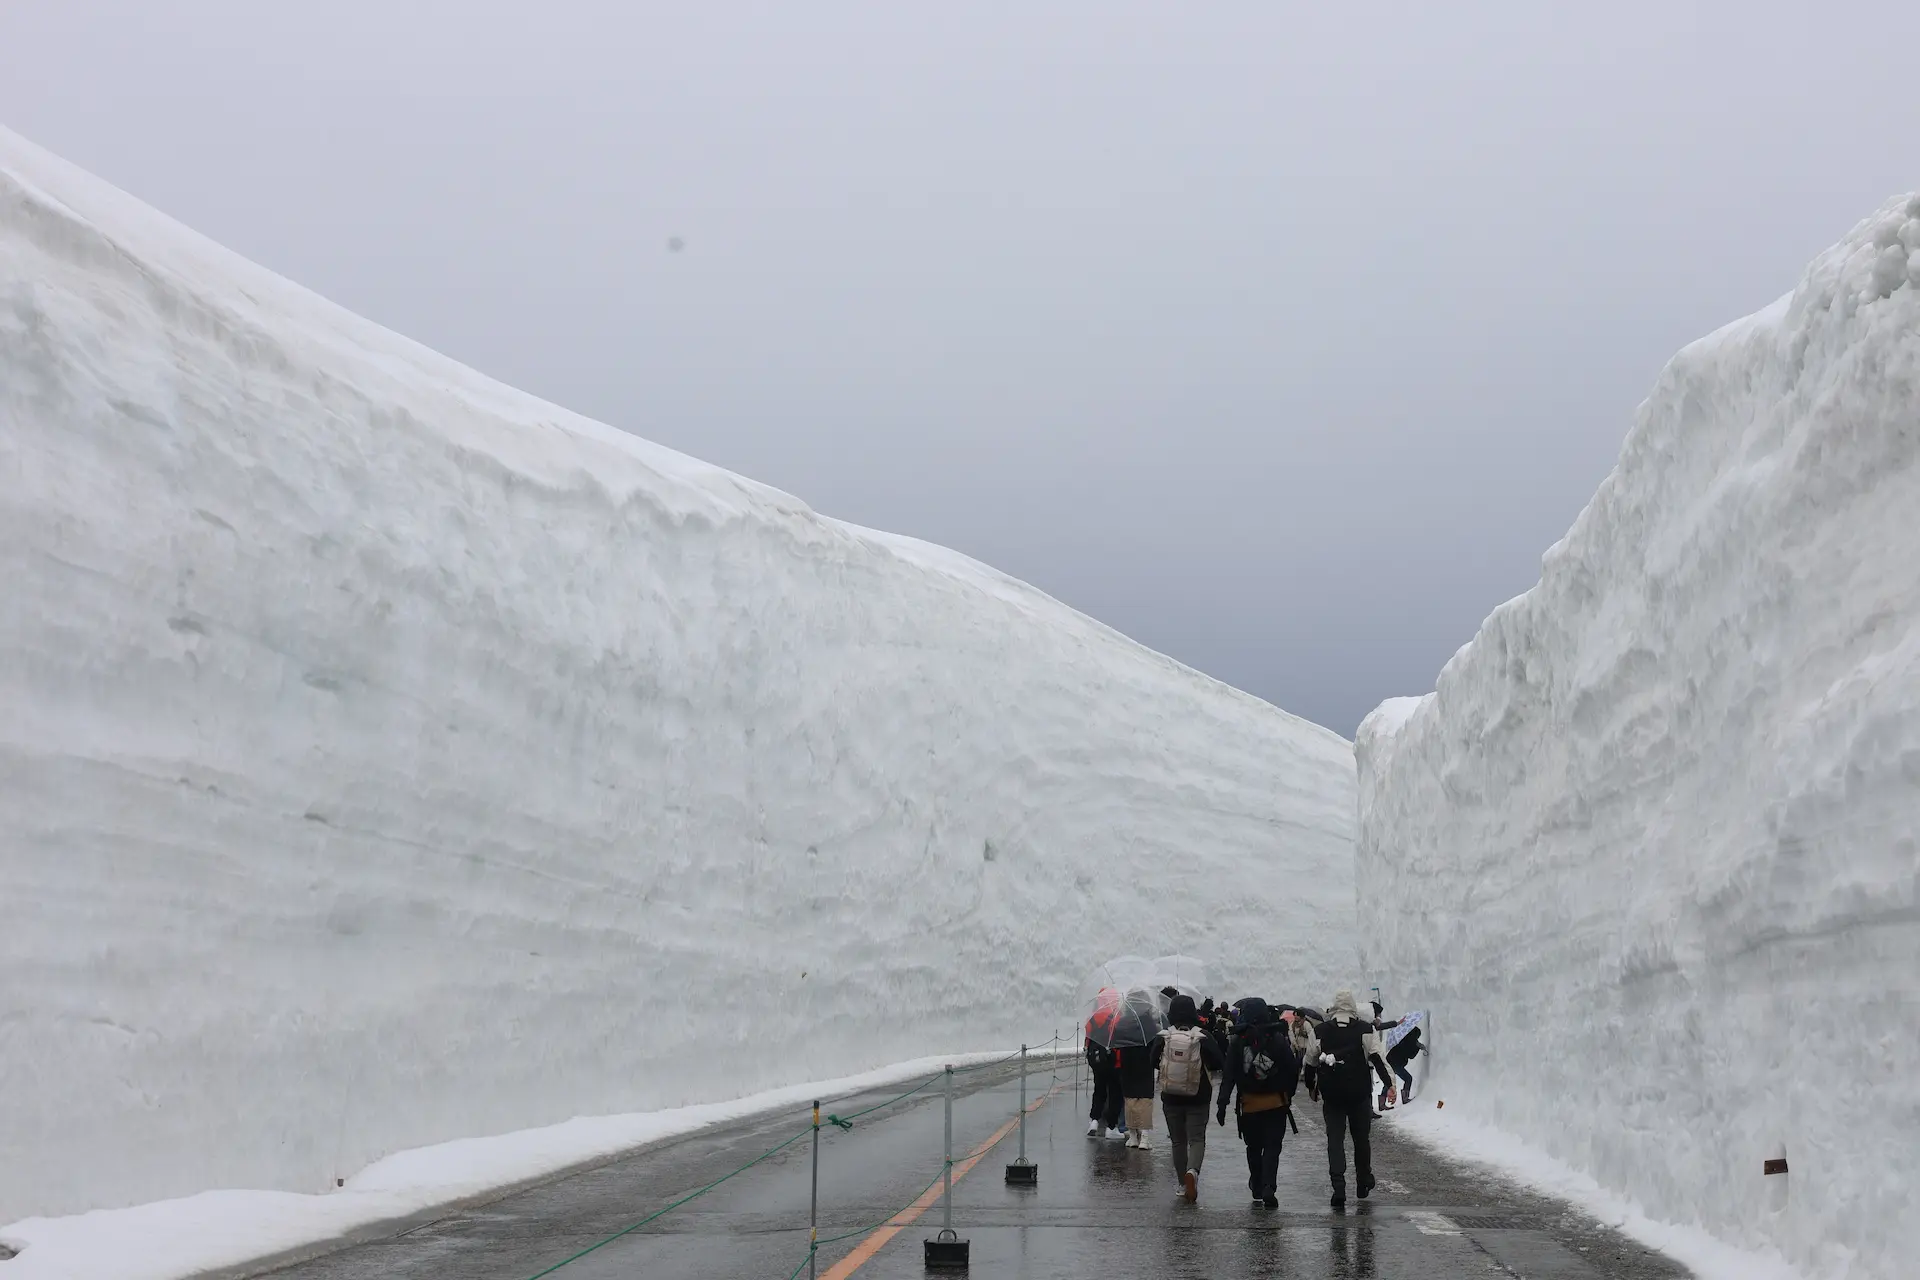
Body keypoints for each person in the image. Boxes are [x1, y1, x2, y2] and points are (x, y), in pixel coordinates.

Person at [1301, 990, 1396, 1207]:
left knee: (1335, 1141)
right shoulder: (1365, 1028)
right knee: (1361, 1139)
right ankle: (1363, 1181)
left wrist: (1311, 1087)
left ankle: (1339, 1187)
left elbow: (1310, 1061)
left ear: (1334, 1008)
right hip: (1359, 1094)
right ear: (1353, 1008)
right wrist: (1390, 1085)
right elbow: (1377, 1058)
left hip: (1332, 1096)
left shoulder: (1320, 1030)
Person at [1214, 996, 1299, 1209]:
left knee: (1253, 1146)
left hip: (1249, 1103)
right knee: (1272, 1146)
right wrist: (1289, 1093)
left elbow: (1229, 1075)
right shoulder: (1278, 1038)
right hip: (1276, 1103)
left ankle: (1257, 1185)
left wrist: (1222, 1104)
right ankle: (1270, 1185)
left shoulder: (1238, 1041)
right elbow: (1292, 1068)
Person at [1151, 994, 1224, 1201]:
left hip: (1171, 1097)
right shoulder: (1203, 1035)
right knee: (1196, 1138)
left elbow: (1152, 1061)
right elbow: (1219, 1062)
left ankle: (1183, 1184)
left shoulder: (1163, 1035)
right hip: (1198, 1096)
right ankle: (1192, 1172)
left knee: (1177, 1141)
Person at [1117, 1035, 1158, 1149]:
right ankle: (1144, 1138)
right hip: (1145, 1072)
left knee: (1130, 1103)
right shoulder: (1149, 1034)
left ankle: (1133, 1136)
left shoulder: (1124, 1033)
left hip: (1128, 1072)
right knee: (1145, 1104)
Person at [1086, 1034, 1123, 1138]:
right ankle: (1111, 1127)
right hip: (1114, 1064)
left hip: (1098, 1063)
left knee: (1099, 1091)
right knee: (1115, 1094)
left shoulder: (1097, 1027)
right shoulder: (1117, 1024)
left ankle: (1094, 1121)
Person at [1386, 1022, 1424, 1103]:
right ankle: (1405, 1098)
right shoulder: (1410, 1042)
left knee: (1388, 1081)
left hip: (1389, 1061)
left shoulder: (1402, 1038)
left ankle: (1381, 1103)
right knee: (1408, 1078)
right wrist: (1418, 1047)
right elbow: (1411, 1056)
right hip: (1396, 1064)